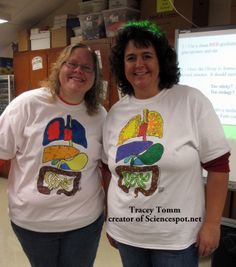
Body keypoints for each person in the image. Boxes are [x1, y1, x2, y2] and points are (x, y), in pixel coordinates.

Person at [102, 20, 231, 267]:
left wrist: (213, 223)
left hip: (176, 239)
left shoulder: (190, 100)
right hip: (128, 234)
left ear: (161, 61)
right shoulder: (116, 112)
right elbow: (109, 171)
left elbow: (218, 165)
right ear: (122, 65)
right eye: (131, 58)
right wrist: (112, 220)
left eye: (147, 55)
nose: (139, 64)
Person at [0, 43, 107, 267]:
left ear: (95, 77)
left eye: (87, 68)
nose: (79, 71)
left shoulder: (100, 115)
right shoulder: (26, 105)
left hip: (84, 223)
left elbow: (105, 165)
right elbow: (3, 150)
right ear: (60, 67)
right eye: (73, 64)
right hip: (33, 224)